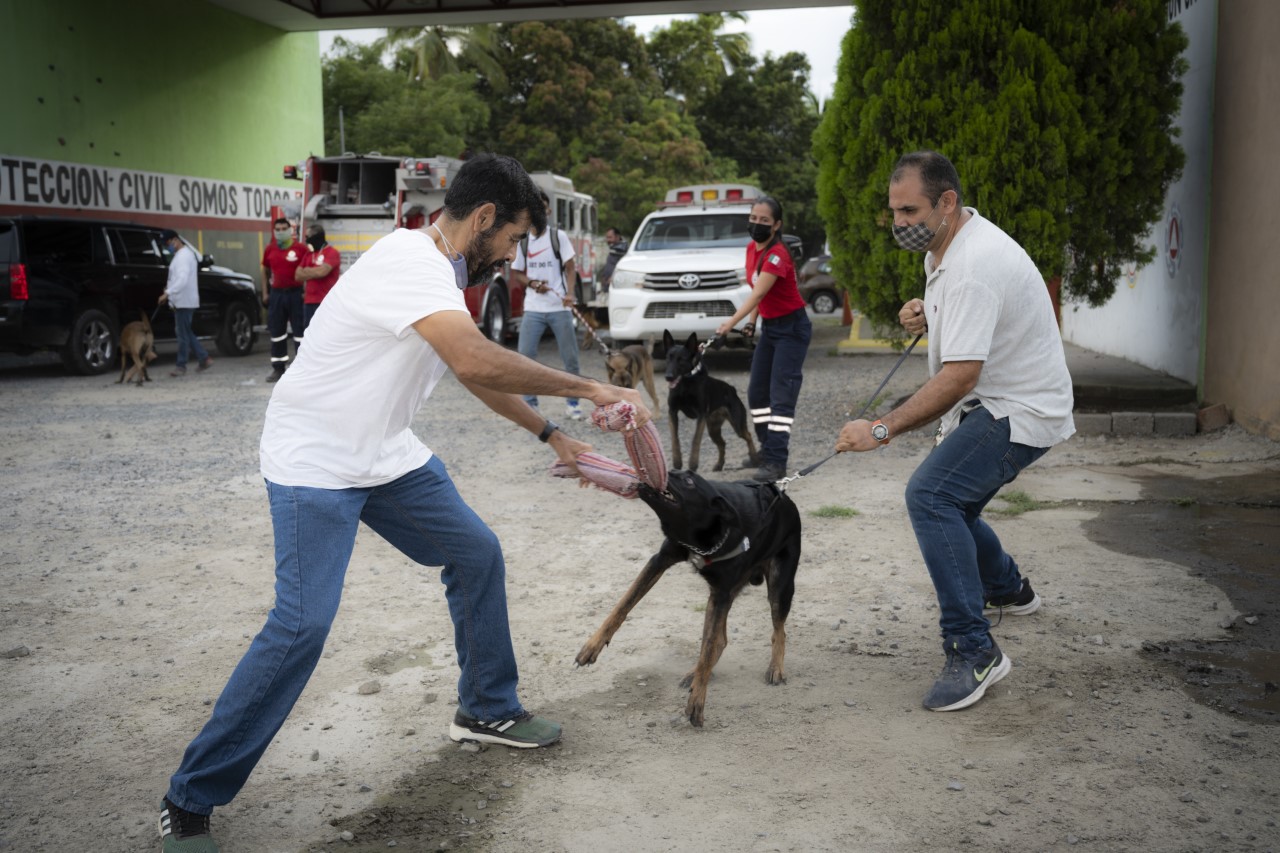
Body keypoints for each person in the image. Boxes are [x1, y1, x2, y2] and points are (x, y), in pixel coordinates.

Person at [157, 153, 650, 852]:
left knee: (475, 553)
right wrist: (594, 388)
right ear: (483, 220)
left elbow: (466, 366)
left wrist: (550, 433)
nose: (511, 257)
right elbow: (477, 359)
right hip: (316, 460)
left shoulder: (445, 272)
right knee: (301, 626)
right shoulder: (410, 263)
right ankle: (188, 799)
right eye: (511, 239)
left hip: (384, 454)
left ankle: (487, 709)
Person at [835, 150, 1074, 712]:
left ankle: (974, 650)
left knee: (931, 494)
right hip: (1002, 399)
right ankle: (1010, 590)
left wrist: (881, 428)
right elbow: (966, 323)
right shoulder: (948, 246)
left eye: (909, 211)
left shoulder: (972, 266)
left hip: (1021, 409)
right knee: (955, 504)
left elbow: (963, 373)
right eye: (893, 212)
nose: (900, 224)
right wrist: (926, 312)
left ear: (946, 202)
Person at [715, 196, 812, 482]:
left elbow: (757, 293)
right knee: (757, 393)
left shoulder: (777, 254)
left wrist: (727, 326)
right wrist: (752, 322)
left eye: (764, 221)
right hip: (770, 328)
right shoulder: (751, 249)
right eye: (753, 218)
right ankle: (765, 452)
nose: (757, 224)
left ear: (777, 225)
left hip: (792, 330)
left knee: (781, 396)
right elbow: (760, 291)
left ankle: (777, 462)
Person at [512, 190, 584, 420]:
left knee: (570, 358)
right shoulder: (523, 240)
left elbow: (571, 267)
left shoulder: (558, 236)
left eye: (542, 208)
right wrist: (532, 283)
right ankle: (530, 406)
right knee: (525, 358)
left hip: (559, 307)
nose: (538, 212)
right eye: (534, 208)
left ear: (548, 211)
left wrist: (570, 293)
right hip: (533, 307)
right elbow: (516, 273)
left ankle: (573, 404)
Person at [157, 229, 212, 377]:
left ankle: (181, 365)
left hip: (184, 301)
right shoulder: (182, 255)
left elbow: (182, 280)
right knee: (186, 332)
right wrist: (169, 290)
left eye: (168, 243)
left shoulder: (183, 257)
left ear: (175, 240)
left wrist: (167, 293)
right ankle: (203, 358)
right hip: (182, 300)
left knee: (182, 334)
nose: (167, 246)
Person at [261, 217, 306, 382]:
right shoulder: (270, 249)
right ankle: (278, 368)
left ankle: (303, 368)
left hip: (296, 294)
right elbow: (264, 271)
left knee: (300, 332)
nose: (280, 232)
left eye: (283, 229)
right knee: (277, 332)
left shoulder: (300, 249)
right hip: (277, 294)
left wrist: (305, 292)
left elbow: (308, 269)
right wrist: (265, 293)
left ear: (290, 230)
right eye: (277, 229)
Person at [295, 223, 340, 332]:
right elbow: (297, 275)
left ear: (316, 237)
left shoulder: (332, 252)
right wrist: (315, 271)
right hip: (309, 303)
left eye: (308, 237)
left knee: (327, 333)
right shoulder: (308, 254)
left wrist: (307, 270)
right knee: (310, 334)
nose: (306, 240)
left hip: (326, 302)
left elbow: (323, 272)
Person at [598, 226, 628, 291]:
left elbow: (624, 269)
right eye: (607, 237)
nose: (608, 240)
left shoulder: (622, 250)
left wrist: (614, 277)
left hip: (616, 287)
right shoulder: (613, 249)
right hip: (608, 287)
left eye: (610, 237)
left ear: (617, 237)